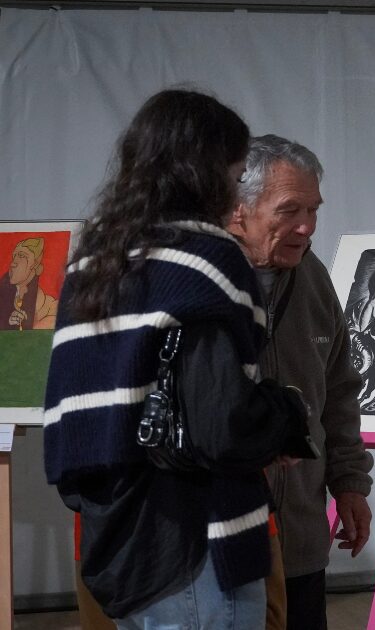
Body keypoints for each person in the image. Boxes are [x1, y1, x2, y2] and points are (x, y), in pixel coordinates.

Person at [42, 89, 312, 629]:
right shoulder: (206, 259)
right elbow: (224, 427)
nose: (235, 194)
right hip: (197, 545)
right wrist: (285, 417)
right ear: (205, 173)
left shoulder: (93, 263)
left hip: (116, 544)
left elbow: (72, 427)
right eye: (236, 175)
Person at [227, 134, 374, 630]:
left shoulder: (311, 276)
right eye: (290, 210)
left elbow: (337, 389)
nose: (307, 227)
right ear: (237, 210)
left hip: (304, 541)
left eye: (313, 210)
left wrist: (350, 484)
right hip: (227, 544)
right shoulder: (199, 283)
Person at [2, 237, 59, 330]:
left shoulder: (50, 307)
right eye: (14, 256)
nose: (13, 263)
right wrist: (6, 323)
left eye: (22, 256)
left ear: (35, 264)